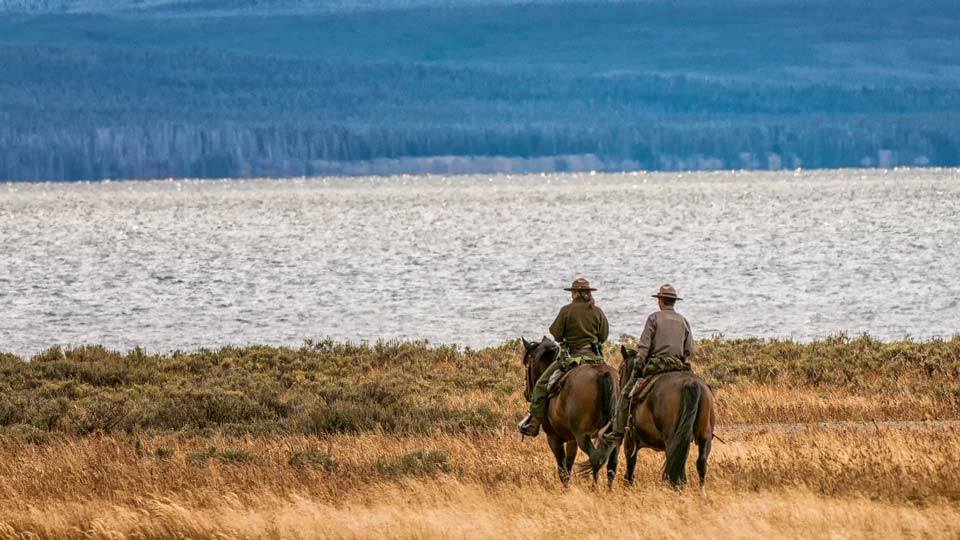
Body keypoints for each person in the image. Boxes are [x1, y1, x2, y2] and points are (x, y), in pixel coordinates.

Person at [518, 277, 610, 437]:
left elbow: (557, 334)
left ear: (575, 293)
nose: (571, 295)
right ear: (587, 293)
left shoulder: (566, 310)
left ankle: (533, 423)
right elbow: (604, 335)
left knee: (540, 385)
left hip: (572, 357)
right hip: (596, 358)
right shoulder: (597, 311)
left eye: (572, 292)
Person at [602, 284, 693, 444]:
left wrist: (639, 365)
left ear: (660, 301)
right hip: (677, 366)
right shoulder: (683, 321)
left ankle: (618, 431)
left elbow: (644, 347)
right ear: (673, 301)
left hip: (656, 366)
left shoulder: (654, 318)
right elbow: (688, 349)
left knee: (625, 394)